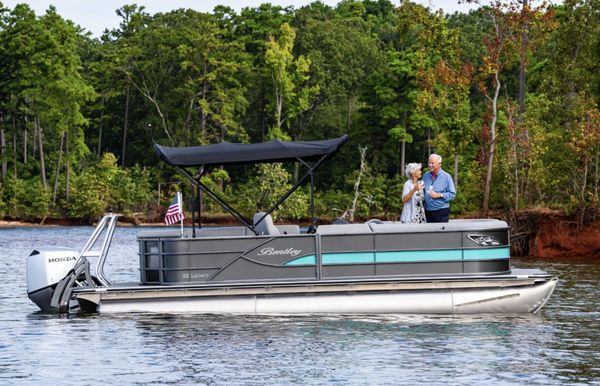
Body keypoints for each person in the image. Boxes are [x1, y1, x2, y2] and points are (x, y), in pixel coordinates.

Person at [422, 154, 456, 223]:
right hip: (427, 211)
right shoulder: (425, 175)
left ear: (439, 164)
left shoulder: (446, 177)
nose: (430, 165)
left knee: (441, 234)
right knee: (429, 233)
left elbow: (452, 195)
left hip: (441, 211)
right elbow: (422, 191)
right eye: (429, 163)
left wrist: (439, 195)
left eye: (432, 163)